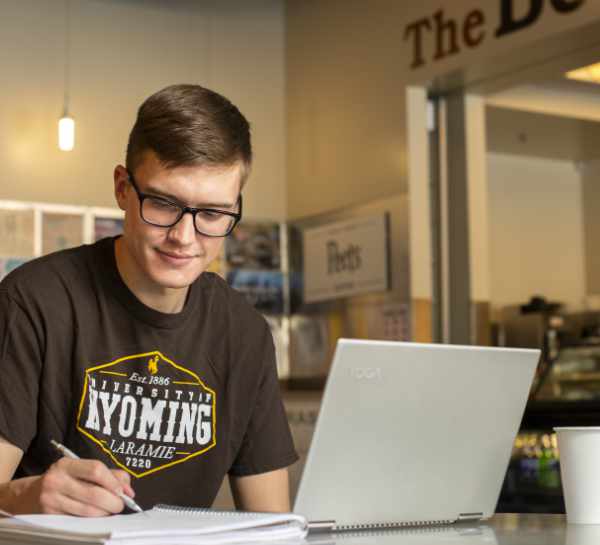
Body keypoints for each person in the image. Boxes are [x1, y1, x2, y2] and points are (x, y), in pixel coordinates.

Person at [0, 84, 298, 516]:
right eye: (161, 203)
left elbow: (275, 528)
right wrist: (23, 498)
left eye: (212, 214)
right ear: (123, 187)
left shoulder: (244, 333)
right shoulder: (32, 303)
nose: (183, 237)